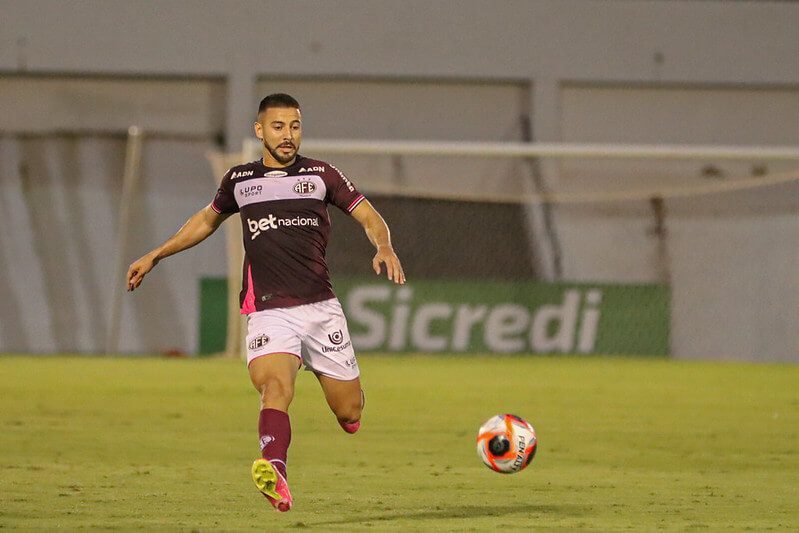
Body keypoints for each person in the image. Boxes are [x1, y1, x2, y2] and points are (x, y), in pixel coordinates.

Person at [126, 93, 405, 512]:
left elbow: (368, 215)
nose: (287, 135)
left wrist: (384, 245)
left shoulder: (321, 175)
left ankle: (344, 395)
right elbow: (206, 220)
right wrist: (155, 254)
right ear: (260, 131)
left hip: (320, 308)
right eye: (278, 126)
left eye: (294, 126)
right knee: (275, 388)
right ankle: (275, 469)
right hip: (268, 311)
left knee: (348, 413)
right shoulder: (240, 180)